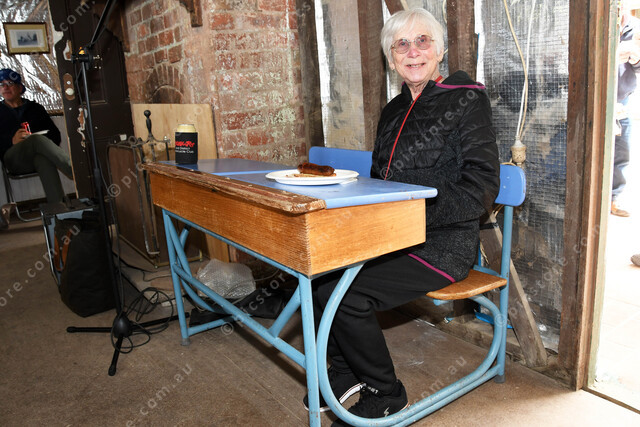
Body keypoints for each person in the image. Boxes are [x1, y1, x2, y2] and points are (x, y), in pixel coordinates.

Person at [308, 8, 500, 425]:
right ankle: (344, 374)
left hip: (443, 243)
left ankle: (386, 393)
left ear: (440, 50)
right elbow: (381, 179)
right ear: (391, 57)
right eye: (401, 44)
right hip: (391, 235)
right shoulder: (393, 110)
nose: (413, 51)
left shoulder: (467, 99)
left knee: (347, 294)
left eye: (423, 41)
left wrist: (411, 217)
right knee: (321, 276)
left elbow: (482, 186)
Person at [0, 68, 73, 229]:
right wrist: (11, 141)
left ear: (20, 87)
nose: (5, 87)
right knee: (36, 139)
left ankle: (58, 211)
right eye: (1, 84)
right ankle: (73, 170)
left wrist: (38, 141)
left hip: (36, 156)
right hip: (13, 159)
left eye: (9, 83)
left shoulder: (35, 108)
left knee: (42, 157)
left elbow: (55, 136)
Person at [611, 0, 640, 217]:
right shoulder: (603, 23)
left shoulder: (635, 28)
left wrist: (636, 59)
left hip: (622, 101)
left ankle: (613, 199)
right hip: (600, 98)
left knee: (622, 151)